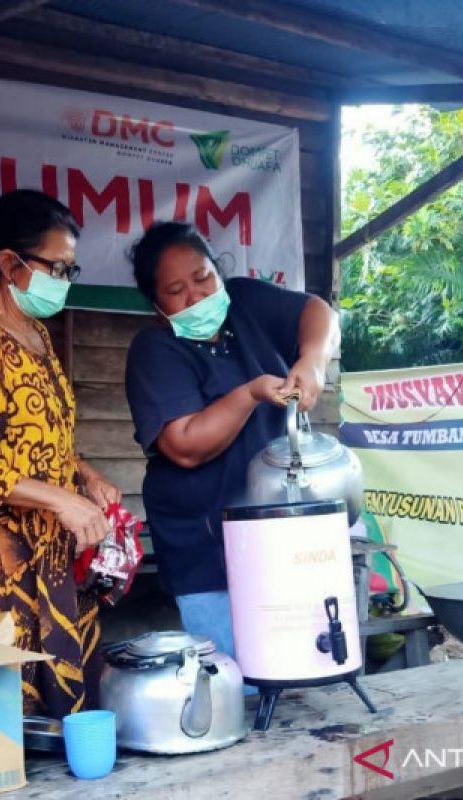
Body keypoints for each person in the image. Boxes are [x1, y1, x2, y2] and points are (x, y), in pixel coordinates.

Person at [0, 189, 121, 717]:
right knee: (6, 723)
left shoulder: (37, 336)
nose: (63, 281)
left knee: (70, 723)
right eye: (56, 268)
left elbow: (43, 439)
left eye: (70, 271)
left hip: (54, 562)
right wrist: (59, 500)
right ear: (10, 264)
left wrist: (85, 478)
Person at [123, 221, 340, 658]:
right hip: (207, 549)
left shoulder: (245, 302)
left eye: (203, 278)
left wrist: (313, 361)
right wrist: (250, 392)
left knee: (301, 661)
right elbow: (184, 445)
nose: (197, 295)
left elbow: (319, 312)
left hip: (283, 533)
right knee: (238, 679)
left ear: (218, 271)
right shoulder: (155, 351)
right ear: (157, 306)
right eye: (176, 290)